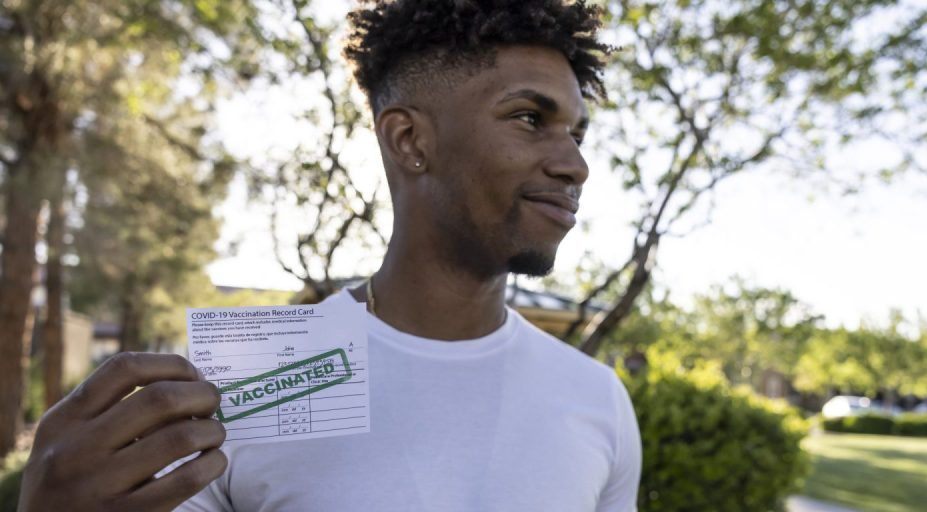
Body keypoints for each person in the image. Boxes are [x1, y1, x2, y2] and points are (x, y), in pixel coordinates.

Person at [17, 1, 642, 510]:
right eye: (531, 118)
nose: (575, 165)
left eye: (577, 133)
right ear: (409, 139)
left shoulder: (598, 400)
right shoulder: (244, 381)